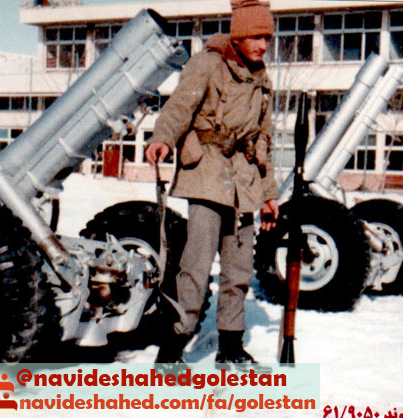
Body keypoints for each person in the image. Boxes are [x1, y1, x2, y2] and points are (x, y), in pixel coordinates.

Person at [145, 0, 279, 366]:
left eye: (267, 37)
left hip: (243, 183)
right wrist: (163, 139)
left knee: (239, 271)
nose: (263, 45)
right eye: (256, 36)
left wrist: (269, 195)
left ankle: (230, 348)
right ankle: (171, 353)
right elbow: (178, 108)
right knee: (196, 268)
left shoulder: (262, 79)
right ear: (238, 36)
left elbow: (263, 142)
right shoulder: (207, 64)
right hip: (206, 174)